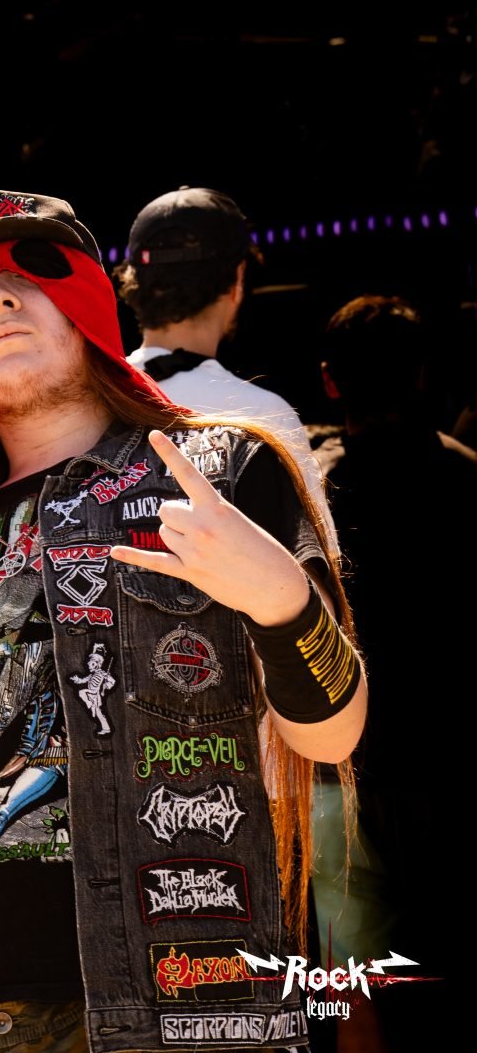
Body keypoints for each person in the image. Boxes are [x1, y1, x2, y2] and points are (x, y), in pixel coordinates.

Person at [0, 188, 366, 1053]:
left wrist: (283, 604)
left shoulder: (217, 470)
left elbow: (334, 734)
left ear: (91, 297)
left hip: (166, 1008)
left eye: (29, 270)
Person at [311, 295, 473, 1049]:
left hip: (340, 771)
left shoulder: (311, 493)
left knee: (352, 990)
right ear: (421, 375)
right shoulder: (466, 477)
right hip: (451, 764)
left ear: (329, 380)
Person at [115, 186, 337, 548]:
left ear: (133, 282)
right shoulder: (263, 416)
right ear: (237, 280)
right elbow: (316, 565)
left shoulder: (86, 397)